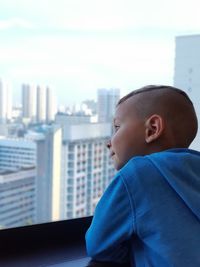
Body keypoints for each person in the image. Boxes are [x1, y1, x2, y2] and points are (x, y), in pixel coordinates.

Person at [85, 85, 200, 267]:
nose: (109, 142)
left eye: (117, 127)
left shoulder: (137, 173)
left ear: (152, 129)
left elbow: (98, 245)